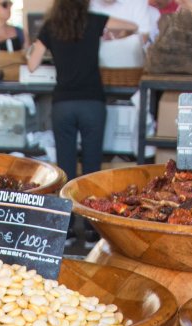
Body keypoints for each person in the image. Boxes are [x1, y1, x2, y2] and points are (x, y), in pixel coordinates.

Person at [27, 0, 135, 243]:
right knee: (91, 169)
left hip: (63, 104)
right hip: (92, 103)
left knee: (64, 169)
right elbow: (132, 26)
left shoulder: (50, 26)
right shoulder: (95, 21)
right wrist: (112, 35)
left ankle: (63, 231)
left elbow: (32, 65)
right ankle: (90, 231)